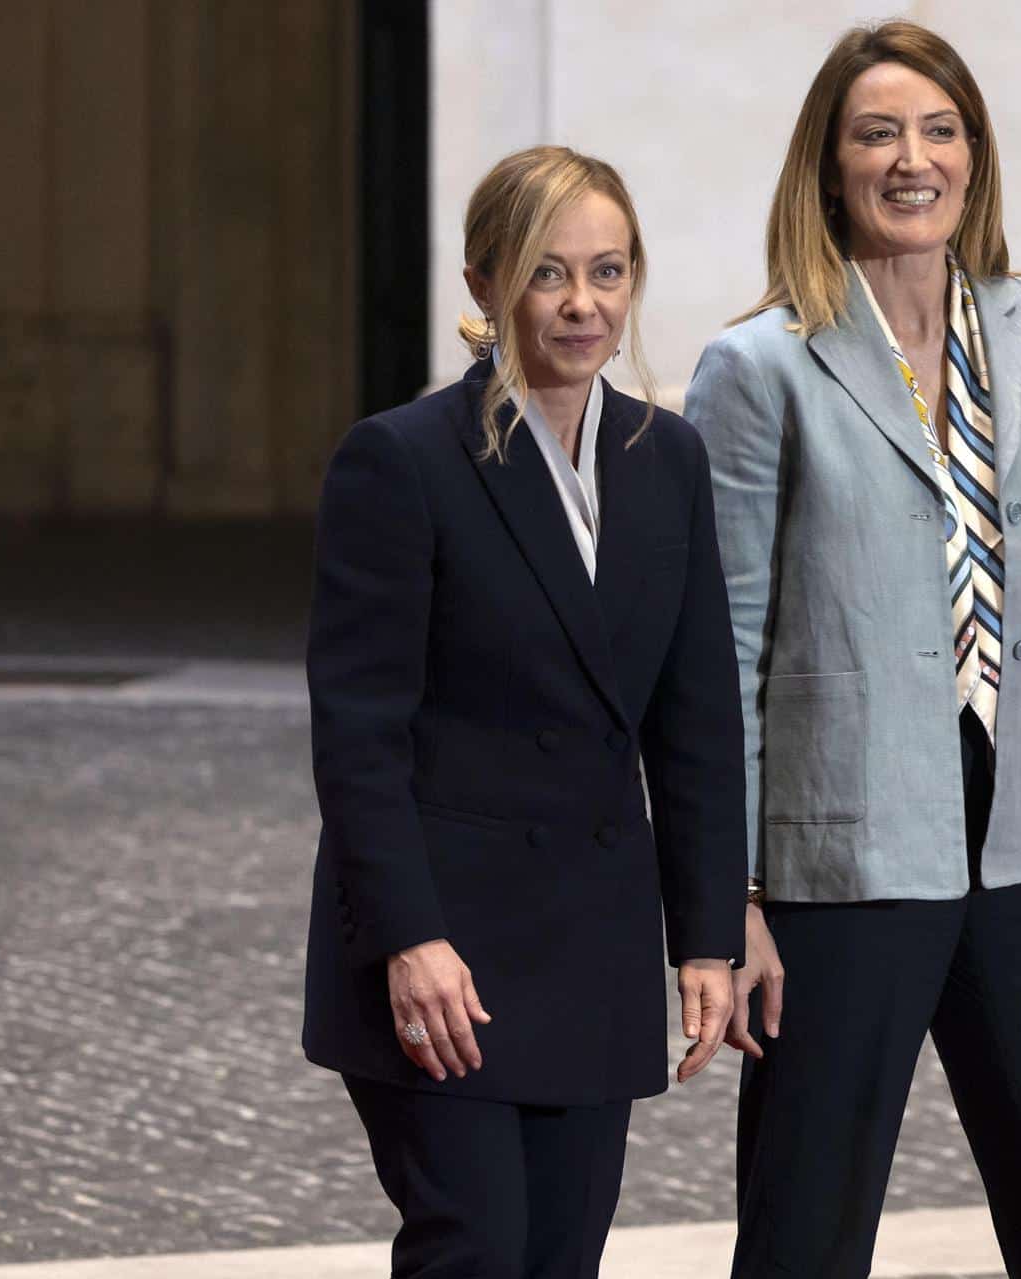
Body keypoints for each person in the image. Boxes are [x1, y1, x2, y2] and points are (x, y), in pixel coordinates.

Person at [685, 21, 1021, 1279]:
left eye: (939, 130)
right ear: (829, 165)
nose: (912, 160)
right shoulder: (761, 368)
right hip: (841, 865)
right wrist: (733, 897)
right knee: (806, 1233)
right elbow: (721, 659)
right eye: (878, 133)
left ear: (973, 154)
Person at [302, 145, 743, 1279]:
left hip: (591, 943)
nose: (583, 303)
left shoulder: (667, 460)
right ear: (485, 283)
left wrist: (703, 932)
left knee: (559, 1260)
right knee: (475, 1248)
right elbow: (359, 736)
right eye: (549, 274)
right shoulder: (400, 462)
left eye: (607, 270)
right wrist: (409, 935)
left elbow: (694, 723)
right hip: (443, 951)